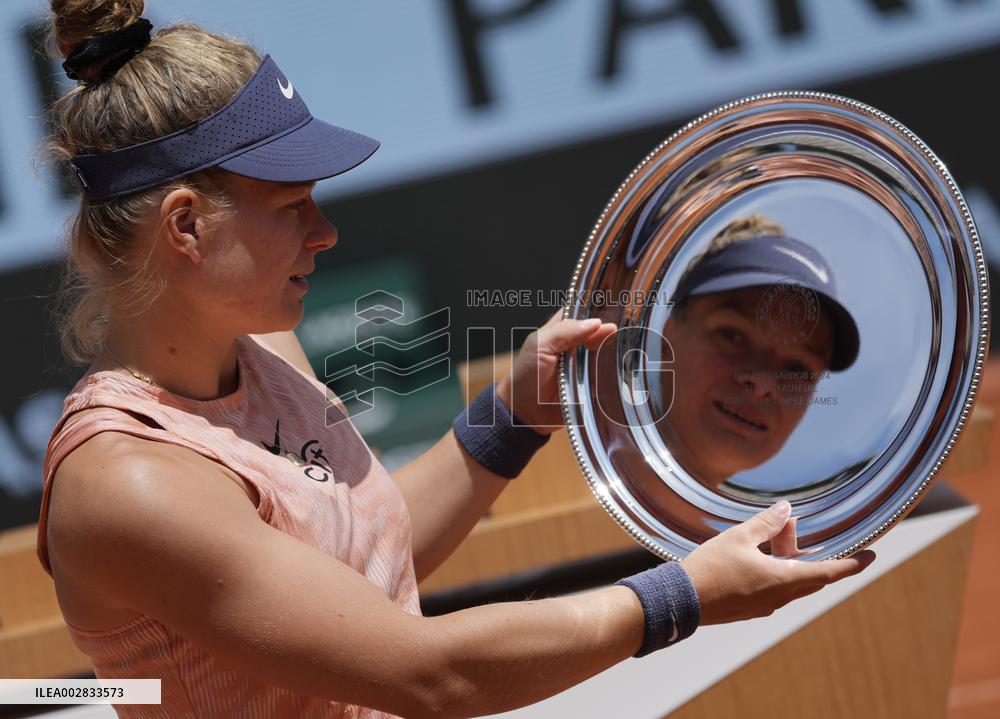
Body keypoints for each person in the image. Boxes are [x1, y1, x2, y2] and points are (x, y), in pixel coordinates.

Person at [36, 3, 876, 717]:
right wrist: (683, 597)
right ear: (185, 226)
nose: (325, 232)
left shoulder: (262, 343)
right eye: (294, 205)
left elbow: (364, 568)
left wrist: (513, 417)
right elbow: (424, 670)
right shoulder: (129, 482)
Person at [658, 214, 861, 486]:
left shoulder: (810, 527)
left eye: (798, 369)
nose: (764, 382)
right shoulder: (582, 460)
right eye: (732, 336)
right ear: (666, 334)